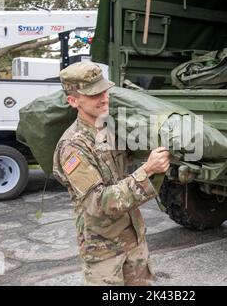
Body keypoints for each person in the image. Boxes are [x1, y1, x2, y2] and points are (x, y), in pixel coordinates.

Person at [53, 61, 170, 286]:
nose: (104, 97)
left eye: (104, 91)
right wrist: (147, 170)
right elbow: (99, 204)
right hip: (104, 252)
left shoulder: (109, 128)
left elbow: (127, 157)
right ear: (73, 101)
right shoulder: (73, 148)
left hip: (133, 239)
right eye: (94, 94)